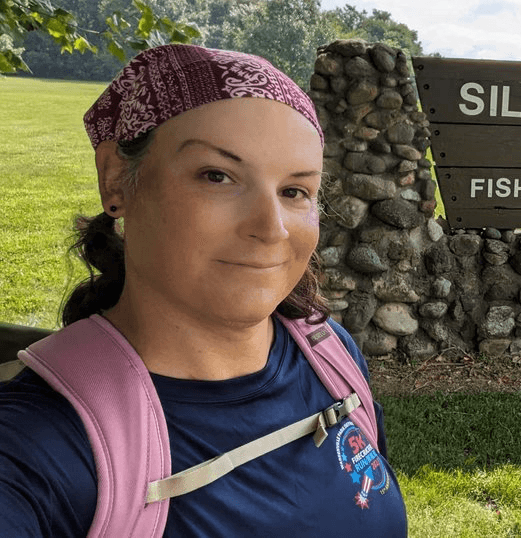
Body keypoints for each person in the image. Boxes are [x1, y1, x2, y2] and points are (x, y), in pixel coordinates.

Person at [0, 44, 407, 537]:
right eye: (217, 176)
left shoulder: (328, 354)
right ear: (116, 180)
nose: (272, 228)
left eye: (294, 191)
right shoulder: (35, 442)